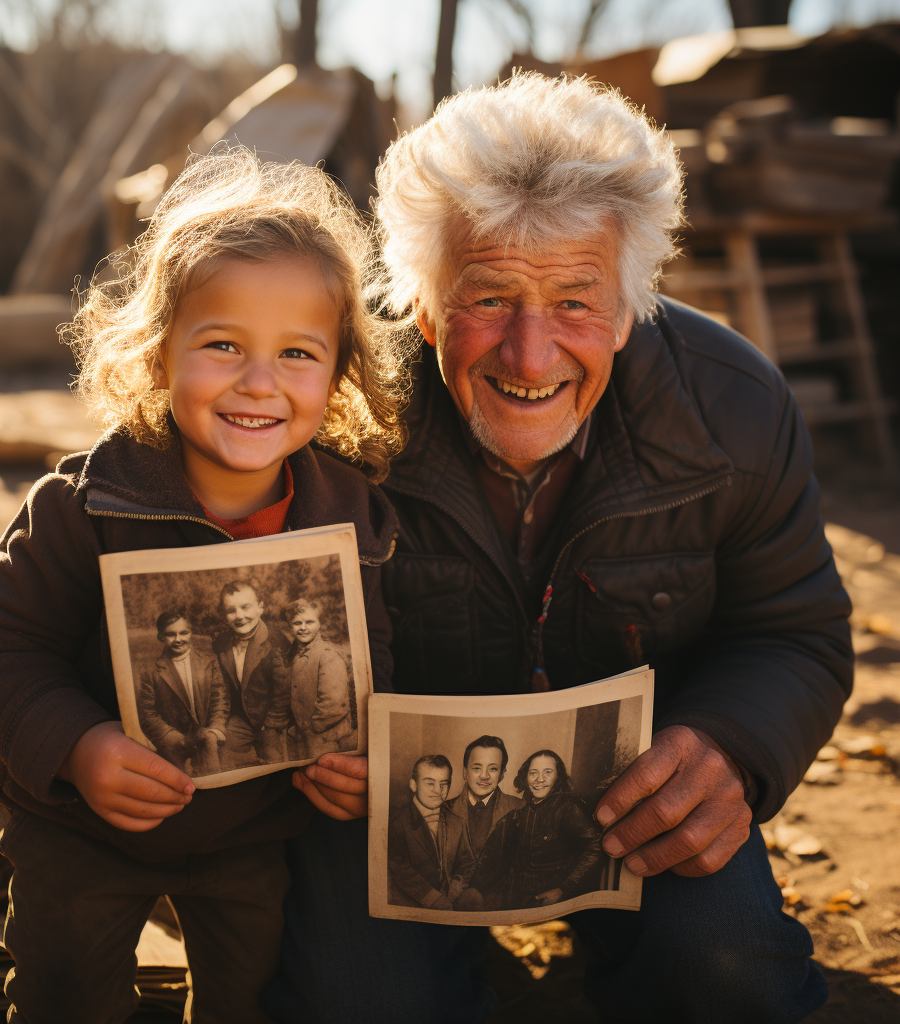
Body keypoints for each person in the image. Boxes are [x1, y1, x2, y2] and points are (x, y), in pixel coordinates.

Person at [268, 74, 853, 1024]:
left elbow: (796, 631)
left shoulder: (736, 408)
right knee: (354, 1003)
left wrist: (730, 748)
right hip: (381, 809)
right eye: (489, 298)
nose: (530, 356)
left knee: (731, 979)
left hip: (637, 806)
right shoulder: (329, 411)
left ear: (629, 308)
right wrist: (312, 739)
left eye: (575, 302)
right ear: (421, 306)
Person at [0, 147, 410, 1024]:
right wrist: (78, 749)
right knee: (66, 1000)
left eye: (298, 353)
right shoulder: (89, 504)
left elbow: (369, 650)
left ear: (341, 369)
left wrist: (361, 752)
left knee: (247, 1003)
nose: (259, 381)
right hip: (83, 835)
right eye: (223, 344)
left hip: (252, 839)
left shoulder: (348, 517)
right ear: (160, 353)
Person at [472, 750, 602, 910]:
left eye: (548, 772)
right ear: (525, 778)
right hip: (522, 899)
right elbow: (496, 855)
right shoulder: (520, 811)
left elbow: (595, 846)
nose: (539, 779)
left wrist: (563, 889)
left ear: (558, 777)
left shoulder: (568, 807)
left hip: (556, 900)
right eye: (533, 773)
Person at [137, 610, 227, 776]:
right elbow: (148, 714)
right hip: (174, 742)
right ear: (161, 637)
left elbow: (219, 700)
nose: (178, 639)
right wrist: (172, 737)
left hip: (207, 738)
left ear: (191, 632)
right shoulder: (152, 672)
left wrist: (214, 731)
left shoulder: (209, 662)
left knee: (215, 777)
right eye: (171, 634)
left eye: (183, 633)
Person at [212, 580, 291, 767]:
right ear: (225, 614)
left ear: (260, 607)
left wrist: (272, 724)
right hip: (241, 717)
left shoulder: (276, 641)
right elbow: (222, 686)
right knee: (224, 758)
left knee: (275, 763)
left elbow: (283, 691)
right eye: (231, 610)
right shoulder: (222, 644)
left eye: (245, 607)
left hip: (272, 719)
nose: (239, 616)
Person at [387, 755, 481, 911]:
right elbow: (399, 868)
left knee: (474, 897)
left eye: (443, 784)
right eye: (430, 783)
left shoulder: (457, 822)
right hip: (414, 900)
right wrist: (432, 897)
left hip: (451, 896)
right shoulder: (398, 823)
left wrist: (457, 883)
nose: (438, 790)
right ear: (413, 785)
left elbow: (467, 861)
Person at [284, 597, 357, 758]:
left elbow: (334, 703)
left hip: (327, 737)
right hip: (304, 736)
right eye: (297, 623)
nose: (303, 628)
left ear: (319, 624)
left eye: (309, 622)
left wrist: (311, 728)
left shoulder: (327, 655)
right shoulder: (296, 654)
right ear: (290, 626)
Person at [443, 735, 522, 861]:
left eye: (493, 769)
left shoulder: (519, 808)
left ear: (502, 774)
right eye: (477, 768)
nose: (484, 776)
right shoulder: (445, 810)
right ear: (465, 772)